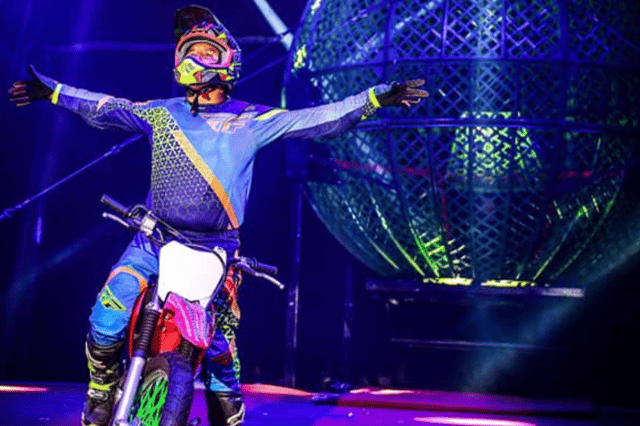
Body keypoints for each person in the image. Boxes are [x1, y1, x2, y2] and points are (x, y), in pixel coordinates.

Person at [8, 5, 428, 426]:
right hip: (152, 240)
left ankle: (227, 407)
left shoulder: (252, 118)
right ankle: (101, 392)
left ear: (228, 61)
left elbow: (320, 120)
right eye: (189, 50)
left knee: (221, 357)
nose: (195, 58)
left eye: (206, 51)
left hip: (216, 252)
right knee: (106, 317)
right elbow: (104, 107)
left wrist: (374, 98)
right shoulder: (161, 111)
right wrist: (53, 91)